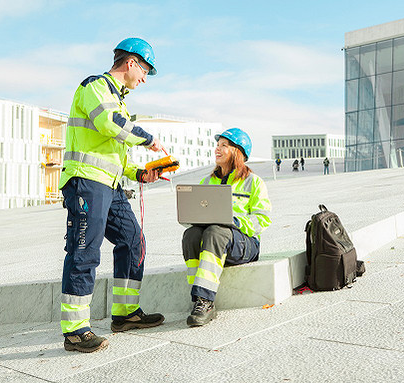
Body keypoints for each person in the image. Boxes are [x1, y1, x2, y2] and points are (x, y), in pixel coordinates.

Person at [59, 38, 166, 353]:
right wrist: (148, 139)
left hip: (112, 184)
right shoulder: (95, 87)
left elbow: (116, 154)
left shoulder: (118, 99)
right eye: (145, 70)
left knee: (134, 241)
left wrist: (140, 173)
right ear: (131, 63)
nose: (144, 79)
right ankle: (75, 330)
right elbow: (109, 124)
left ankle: (125, 313)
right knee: (85, 251)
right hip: (87, 182)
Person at [182, 128, 271, 327]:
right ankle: (197, 299)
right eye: (217, 145)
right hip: (216, 240)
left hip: (244, 244)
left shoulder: (254, 182)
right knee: (191, 234)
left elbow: (262, 220)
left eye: (224, 145)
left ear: (237, 152)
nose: (217, 149)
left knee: (216, 231)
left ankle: (206, 301)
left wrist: (235, 222)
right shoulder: (207, 181)